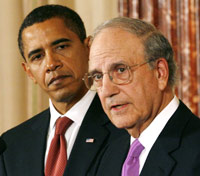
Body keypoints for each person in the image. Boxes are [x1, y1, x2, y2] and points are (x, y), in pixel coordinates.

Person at [0, 5, 127, 176]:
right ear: (29, 72)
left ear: (89, 48)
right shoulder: (11, 145)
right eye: (37, 56)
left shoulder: (124, 126)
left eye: (61, 47)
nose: (51, 64)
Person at [84, 17, 200, 175]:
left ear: (160, 73)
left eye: (121, 70)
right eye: (98, 76)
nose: (107, 90)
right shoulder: (110, 153)